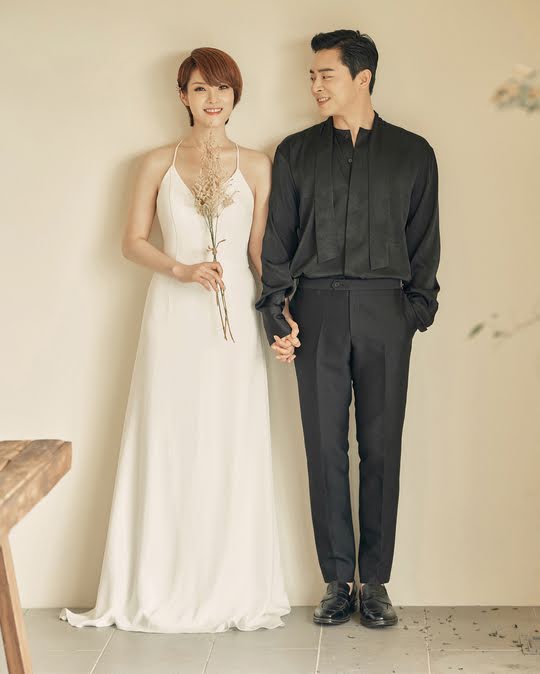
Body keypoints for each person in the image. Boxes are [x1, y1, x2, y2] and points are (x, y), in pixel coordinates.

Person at [60, 47, 290, 633]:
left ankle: (230, 583)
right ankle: (159, 582)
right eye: (200, 88)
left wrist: (284, 313)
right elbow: (131, 242)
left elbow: (258, 252)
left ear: (236, 96)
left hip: (231, 323)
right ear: (183, 96)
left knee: (229, 438)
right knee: (168, 437)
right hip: (172, 316)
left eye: (223, 88)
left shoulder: (258, 164)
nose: (213, 99)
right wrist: (182, 269)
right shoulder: (155, 162)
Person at [256, 29, 440, 628]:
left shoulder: (414, 153)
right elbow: (277, 242)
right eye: (311, 76)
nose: (315, 85)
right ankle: (338, 580)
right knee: (324, 446)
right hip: (316, 311)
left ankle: (376, 582)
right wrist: (277, 312)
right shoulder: (295, 152)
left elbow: (425, 243)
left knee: (382, 447)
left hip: (387, 310)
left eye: (325, 74)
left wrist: (414, 312)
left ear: (363, 78)